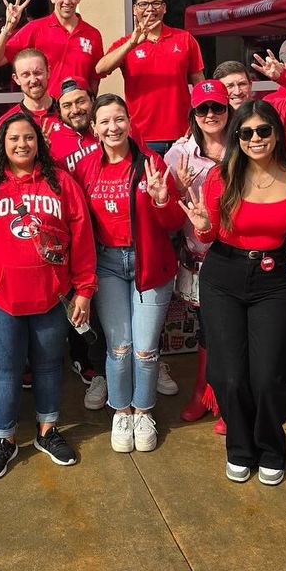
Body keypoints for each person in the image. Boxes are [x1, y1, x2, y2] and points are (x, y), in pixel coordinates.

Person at [0, 113, 96, 480]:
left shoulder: (61, 183)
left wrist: (84, 289)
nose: (22, 145)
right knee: (4, 370)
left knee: (46, 365)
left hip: (51, 295)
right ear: (2, 144)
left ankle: (47, 430)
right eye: (13, 139)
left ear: (38, 142)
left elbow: (82, 237)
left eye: (29, 138)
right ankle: (5, 438)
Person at [177, 100, 286, 486]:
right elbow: (210, 234)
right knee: (228, 375)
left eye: (263, 130)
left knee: (267, 376)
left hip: (272, 276)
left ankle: (271, 447)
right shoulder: (221, 176)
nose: (255, 138)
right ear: (237, 138)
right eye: (246, 133)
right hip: (223, 275)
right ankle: (240, 447)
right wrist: (200, 226)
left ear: (276, 132)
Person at [73, 95, 183, 453]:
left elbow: (173, 223)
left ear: (129, 121)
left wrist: (162, 199)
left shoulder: (150, 162)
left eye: (118, 119)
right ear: (94, 129)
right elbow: (75, 220)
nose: (113, 128)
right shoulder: (86, 167)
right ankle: (120, 410)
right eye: (104, 122)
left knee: (146, 350)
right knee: (119, 348)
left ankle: (142, 410)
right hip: (106, 264)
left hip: (148, 263)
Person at [165, 79, 231, 432]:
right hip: (201, 253)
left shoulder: (245, 144)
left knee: (231, 329)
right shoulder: (178, 154)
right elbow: (170, 214)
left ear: (228, 109)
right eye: (202, 108)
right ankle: (203, 391)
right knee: (208, 327)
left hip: (239, 252)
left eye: (217, 107)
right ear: (193, 113)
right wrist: (173, 188)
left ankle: (225, 395)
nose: (210, 114)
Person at [48, 76, 109, 410]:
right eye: (68, 105)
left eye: (81, 101)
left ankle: (147, 363)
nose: (75, 109)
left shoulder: (109, 125)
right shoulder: (53, 139)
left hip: (113, 233)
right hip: (76, 236)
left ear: (92, 100)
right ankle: (94, 367)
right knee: (86, 310)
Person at [96, 0, 205, 154]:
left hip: (182, 135)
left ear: (164, 8)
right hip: (141, 136)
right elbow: (100, 69)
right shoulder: (126, 43)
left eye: (156, 3)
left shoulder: (184, 39)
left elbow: (200, 86)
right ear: (134, 9)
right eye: (143, 4)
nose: (150, 9)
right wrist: (132, 44)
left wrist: (198, 125)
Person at [0, 0, 105, 98]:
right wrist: (8, 28)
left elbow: (94, 79)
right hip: (45, 110)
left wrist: (90, 106)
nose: (67, 1)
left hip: (77, 111)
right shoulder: (35, 28)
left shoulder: (93, 34)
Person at [0, 48, 62, 137]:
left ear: (48, 72)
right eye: (26, 75)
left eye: (38, 73)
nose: (33, 80)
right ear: (16, 79)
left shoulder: (68, 114)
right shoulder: (6, 123)